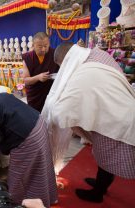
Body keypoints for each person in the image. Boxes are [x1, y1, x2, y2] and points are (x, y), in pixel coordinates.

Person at [42, 42, 135, 203]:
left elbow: (61, 112)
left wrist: (51, 109)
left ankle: (97, 193)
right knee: (104, 156)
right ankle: (101, 184)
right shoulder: (98, 54)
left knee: (106, 155)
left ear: (67, 59)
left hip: (116, 121)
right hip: (123, 109)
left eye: (63, 67)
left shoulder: (82, 73)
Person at [22, 32, 59, 112]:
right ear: (33, 45)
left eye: (46, 46)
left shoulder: (55, 53)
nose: (43, 49)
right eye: (40, 47)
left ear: (49, 43)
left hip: (51, 94)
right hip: (35, 96)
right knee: (35, 117)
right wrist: (38, 77)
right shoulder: (28, 57)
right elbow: (26, 80)